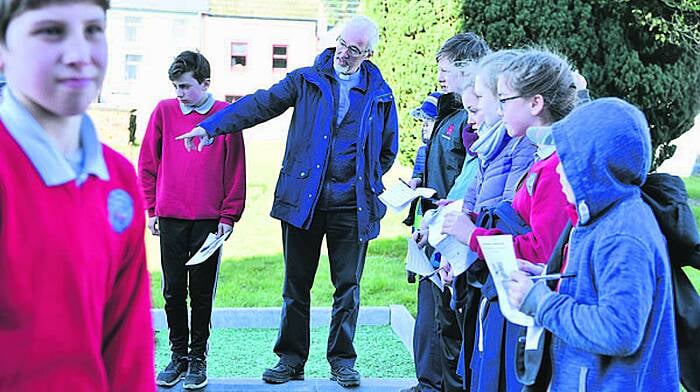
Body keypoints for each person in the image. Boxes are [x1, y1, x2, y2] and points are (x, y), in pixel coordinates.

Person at [175, 16, 398, 388]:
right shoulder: (306, 79)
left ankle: (342, 361)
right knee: (296, 285)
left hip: (352, 207)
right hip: (303, 203)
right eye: (342, 44)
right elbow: (260, 104)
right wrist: (211, 127)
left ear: (368, 53)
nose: (344, 53)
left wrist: (368, 179)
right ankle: (290, 360)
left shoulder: (380, 94)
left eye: (354, 50)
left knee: (348, 287)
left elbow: (388, 149)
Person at [0, 0, 154, 390]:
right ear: (3, 48)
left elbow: (128, 350)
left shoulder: (119, 178)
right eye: (51, 31)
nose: (79, 54)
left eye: (92, 30)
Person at [505, 97, 680, 391]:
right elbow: (592, 288)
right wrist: (548, 279)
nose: (558, 171)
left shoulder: (623, 235)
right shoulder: (600, 217)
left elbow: (619, 330)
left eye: (568, 162)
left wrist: (541, 302)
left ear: (595, 164)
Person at [442, 49, 578, 392]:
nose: (499, 111)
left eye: (504, 100)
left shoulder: (552, 166)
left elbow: (542, 252)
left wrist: (472, 235)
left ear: (535, 103)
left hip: (527, 310)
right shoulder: (542, 157)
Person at [138, 50, 246, 389]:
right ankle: (178, 356)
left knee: (200, 293)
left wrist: (228, 216)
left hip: (208, 222)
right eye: (175, 86)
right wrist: (152, 208)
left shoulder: (225, 117)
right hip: (170, 218)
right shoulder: (164, 112)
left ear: (205, 83)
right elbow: (147, 164)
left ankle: (198, 358)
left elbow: (236, 170)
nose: (180, 93)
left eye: (185, 86)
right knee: (172, 291)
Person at [407, 32, 490, 392]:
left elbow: (472, 179)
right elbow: (427, 150)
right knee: (429, 314)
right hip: (433, 225)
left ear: (468, 70)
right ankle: (429, 383)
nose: (439, 76)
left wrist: (445, 222)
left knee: (449, 319)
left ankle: (447, 386)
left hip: (454, 233)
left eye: (445, 70)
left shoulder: (474, 121)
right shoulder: (442, 108)